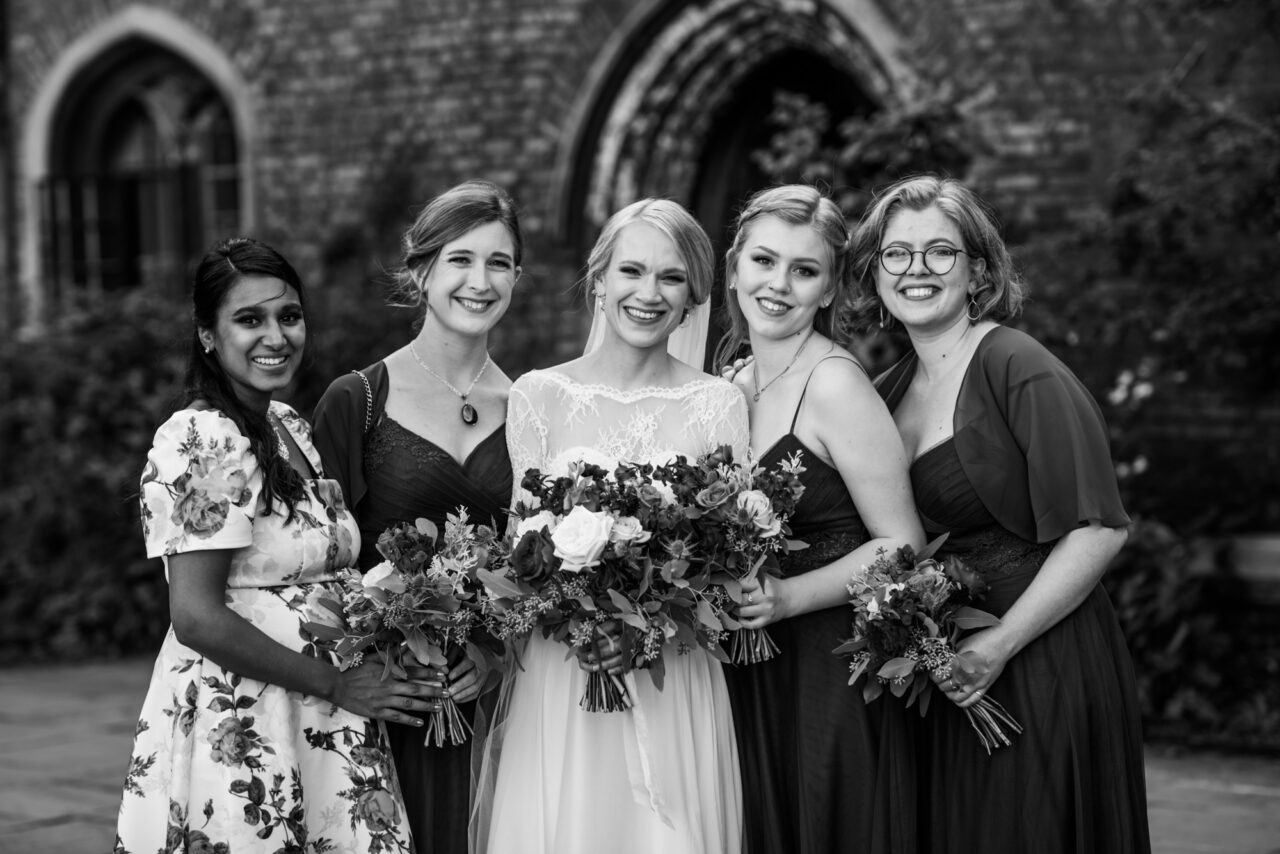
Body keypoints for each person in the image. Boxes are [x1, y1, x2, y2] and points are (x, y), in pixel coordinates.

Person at [850, 175, 1150, 853]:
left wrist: (1002, 643)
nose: (917, 270)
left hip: (1039, 657)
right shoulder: (887, 390)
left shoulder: (1018, 366)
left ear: (978, 269)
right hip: (950, 671)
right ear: (874, 272)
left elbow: (1100, 527)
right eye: (897, 254)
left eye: (940, 252)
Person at [116, 238, 434, 853]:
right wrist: (336, 684)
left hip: (323, 710)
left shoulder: (286, 424)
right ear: (208, 336)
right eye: (249, 319)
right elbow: (197, 617)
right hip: (248, 715)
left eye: (288, 316)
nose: (276, 336)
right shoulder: (203, 437)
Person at [475, 199, 746, 853]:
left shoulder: (717, 403)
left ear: (692, 297)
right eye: (631, 271)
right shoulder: (538, 396)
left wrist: (647, 626)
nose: (648, 294)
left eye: (671, 278)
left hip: (669, 676)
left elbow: (730, 571)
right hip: (562, 676)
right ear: (599, 280)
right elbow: (521, 553)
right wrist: (577, 617)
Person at [311, 180, 523, 854]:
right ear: (422, 270)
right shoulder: (357, 401)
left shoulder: (533, 408)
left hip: (491, 705)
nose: (480, 281)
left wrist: (494, 654)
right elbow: (315, 559)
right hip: (384, 701)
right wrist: (365, 661)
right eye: (461, 259)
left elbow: (536, 563)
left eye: (498, 263)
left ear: (517, 277)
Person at [714, 184, 924, 854]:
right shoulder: (729, 381)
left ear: (830, 291)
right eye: (764, 262)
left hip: (826, 670)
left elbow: (903, 544)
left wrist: (788, 597)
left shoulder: (836, 385)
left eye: (804, 271)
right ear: (734, 268)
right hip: (744, 669)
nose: (778, 285)